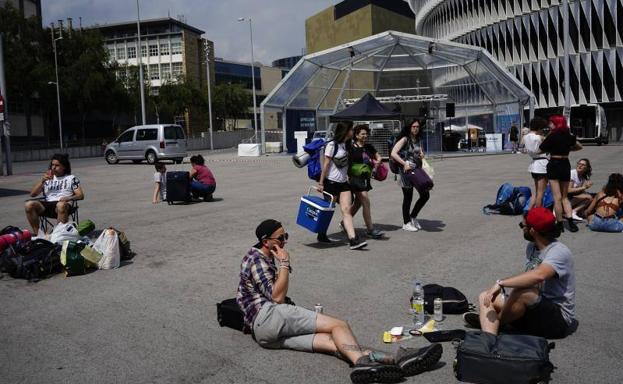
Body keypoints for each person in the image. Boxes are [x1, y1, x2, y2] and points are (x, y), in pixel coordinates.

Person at [236, 219, 442, 384]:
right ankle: (362, 364)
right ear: (266, 241)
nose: (285, 242)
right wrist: (284, 262)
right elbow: (277, 297)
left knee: (334, 341)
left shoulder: (263, 255)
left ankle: (395, 359)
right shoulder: (256, 259)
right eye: (281, 238)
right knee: (339, 325)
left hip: (266, 336)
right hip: (270, 317)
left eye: (285, 236)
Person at [463, 207, 576, 339]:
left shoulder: (559, 252)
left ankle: (496, 322)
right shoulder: (532, 247)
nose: (522, 228)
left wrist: (501, 283)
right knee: (486, 296)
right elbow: (527, 279)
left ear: (533, 231)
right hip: (533, 309)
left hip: (557, 322)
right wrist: (499, 289)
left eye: (523, 225)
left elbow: (538, 276)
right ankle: (488, 340)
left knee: (522, 292)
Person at [318, 123, 367, 250]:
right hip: (331, 183)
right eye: (351, 129)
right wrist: (321, 183)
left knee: (346, 210)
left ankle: (353, 239)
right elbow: (326, 165)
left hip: (344, 183)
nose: (352, 131)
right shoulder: (331, 145)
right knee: (328, 210)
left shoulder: (347, 145)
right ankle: (321, 234)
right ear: (345, 131)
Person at [539, 115, 583, 232]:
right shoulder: (570, 136)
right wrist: (568, 149)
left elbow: (540, 149)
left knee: (557, 198)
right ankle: (570, 222)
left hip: (554, 163)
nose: (549, 125)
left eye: (551, 123)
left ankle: (559, 224)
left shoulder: (552, 136)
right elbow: (579, 146)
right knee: (564, 197)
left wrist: (550, 147)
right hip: (565, 163)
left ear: (556, 123)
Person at [24, 153, 84, 234]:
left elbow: (80, 195)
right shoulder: (48, 178)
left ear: (64, 167)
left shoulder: (71, 178)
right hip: (48, 205)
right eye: (52, 165)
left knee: (60, 205)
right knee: (29, 205)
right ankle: (38, 235)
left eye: (57, 165)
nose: (54, 167)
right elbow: (33, 194)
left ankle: (58, 235)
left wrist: (68, 198)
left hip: (64, 205)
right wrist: (42, 181)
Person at [390, 119, 430, 232]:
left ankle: (413, 217)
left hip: (416, 170)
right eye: (413, 126)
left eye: (417, 126)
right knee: (408, 197)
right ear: (409, 127)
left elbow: (419, 153)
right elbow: (393, 153)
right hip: (405, 172)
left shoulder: (418, 139)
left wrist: (422, 155)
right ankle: (406, 223)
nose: (415, 128)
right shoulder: (405, 139)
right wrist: (404, 163)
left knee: (425, 195)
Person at [348, 124, 384, 239]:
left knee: (358, 203)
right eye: (362, 134)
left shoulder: (369, 147)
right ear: (356, 135)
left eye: (366, 134)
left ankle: (344, 222)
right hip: (355, 178)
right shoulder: (352, 147)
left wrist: (377, 163)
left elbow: (379, 157)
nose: (365, 136)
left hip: (365, 178)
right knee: (366, 201)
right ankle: (370, 230)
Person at [523, 117, 549, 210]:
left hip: (534, 164)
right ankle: (538, 213)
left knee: (537, 191)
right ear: (539, 127)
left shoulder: (525, 137)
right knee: (541, 192)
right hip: (542, 164)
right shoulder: (540, 137)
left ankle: (529, 211)